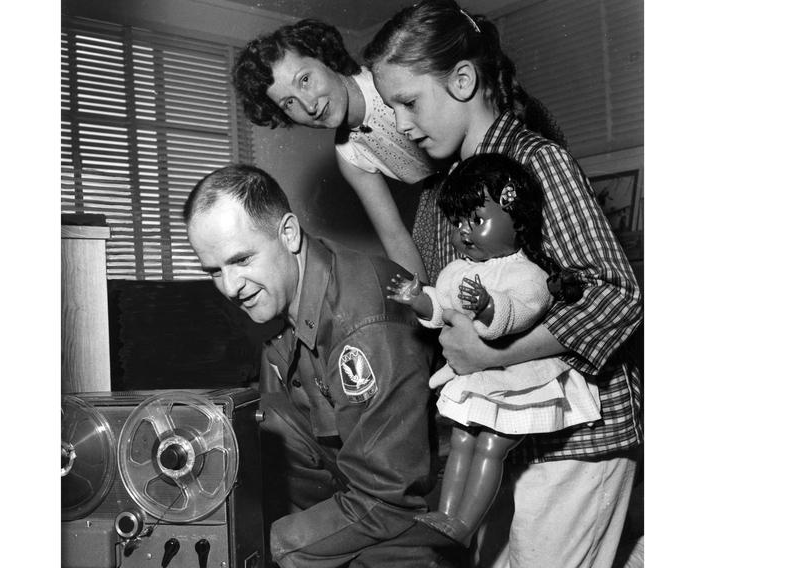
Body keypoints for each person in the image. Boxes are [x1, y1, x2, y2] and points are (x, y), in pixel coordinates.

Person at [364, 1, 644, 566]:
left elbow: (619, 294)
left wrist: (493, 355)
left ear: (463, 80)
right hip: (505, 434)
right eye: (390, 106)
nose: (398, 121)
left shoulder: (539, 163)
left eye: (408, 101)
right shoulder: (443, 194)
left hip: (577, 438)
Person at [183, 164, 459, 568]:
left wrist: (273, 543)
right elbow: (289, 447)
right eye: (214, 271)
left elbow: (391, 497)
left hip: (419, 510)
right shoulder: (280, 300)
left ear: (289, 234)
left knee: (267, 545)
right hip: (356, 485)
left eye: (241, 259)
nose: (230, 287)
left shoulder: (364, 323)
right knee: (253, 426)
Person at [386, 153, 602, 547]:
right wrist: (419, 298)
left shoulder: (529, 273)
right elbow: (440, 308)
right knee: (463, 440)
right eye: (458, 224)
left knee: (490, 444)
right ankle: (445, 516)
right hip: (480, 377)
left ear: (516, 219)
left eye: (477, 220)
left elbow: (518, 313)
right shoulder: (458, 270)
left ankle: (464, 525)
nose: (465, 232)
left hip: (519, 377)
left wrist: (488, 305)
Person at [232, 19, 455, 283]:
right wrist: (424, 303)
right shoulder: (349, 154)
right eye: (289, 102)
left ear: (325, 58)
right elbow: (395, 237)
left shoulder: (388, 78)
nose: (309, 105)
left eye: (305, 80)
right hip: (446, 211)